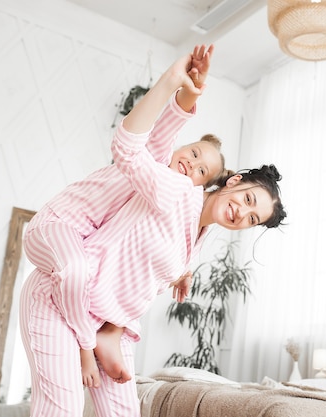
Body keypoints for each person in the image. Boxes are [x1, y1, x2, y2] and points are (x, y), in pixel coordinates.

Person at [19, 45, 286, 417]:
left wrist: (183, 271)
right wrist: (185, 90)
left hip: (109, 323)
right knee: (61, 409)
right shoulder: (178, 186)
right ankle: (91, 340)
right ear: (234, 182)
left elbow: (153, 259)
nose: (243, 214)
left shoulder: (199, 238)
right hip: (64, 299)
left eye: (252, 219)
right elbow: (142, 146)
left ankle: (105, 336)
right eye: (249, 200)